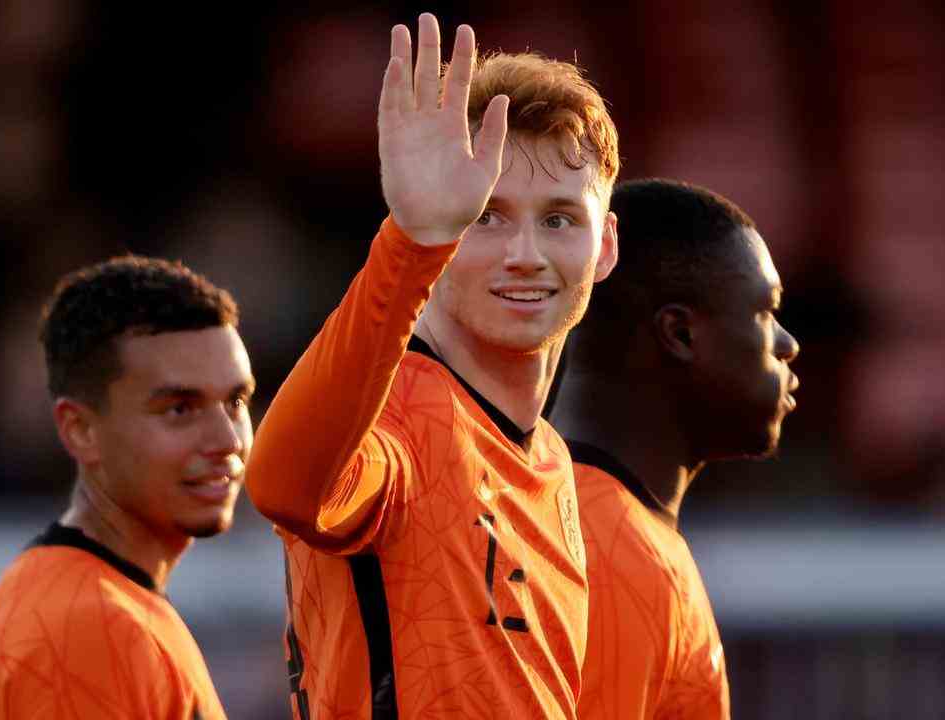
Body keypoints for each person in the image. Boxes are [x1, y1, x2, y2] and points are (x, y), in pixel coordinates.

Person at [244, 13, 619, 719]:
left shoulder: (550, 460)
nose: (527, 254)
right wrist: (413, 241)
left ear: (606, 246)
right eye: (487, 215)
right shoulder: (404, 414)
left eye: (561, 219)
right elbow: (284, 484)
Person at [0, 256, 255, 720]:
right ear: (80, 431)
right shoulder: (94, 631)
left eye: (235, 401)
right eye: (180, 408)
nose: (228, 440)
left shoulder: (66, 593)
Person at [547, 179, 801, 719]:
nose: (786, 344)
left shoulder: (601, 525)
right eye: (765, 311)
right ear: (681, 334)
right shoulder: (604, 550)